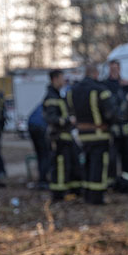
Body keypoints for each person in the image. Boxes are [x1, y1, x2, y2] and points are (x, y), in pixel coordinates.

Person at [67, 64, 117, 204]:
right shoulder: (100, 90)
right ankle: (96, 197)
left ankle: (87, 194)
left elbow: (70, 112)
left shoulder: (72, 91)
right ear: (95, 74)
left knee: (87, 164)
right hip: (100, 134)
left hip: (82, 134)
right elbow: (111, 113)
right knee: (99, 165)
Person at [43, 69, 82, 200]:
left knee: (72, 164)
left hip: (67, 137)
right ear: (55, 79)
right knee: (59, 166)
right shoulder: (51, 97)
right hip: (58, 138)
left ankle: (74, 190)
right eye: (61, 78)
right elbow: (51, 118)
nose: (63, 81)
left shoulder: (59, 95)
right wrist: (67, 120)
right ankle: (58, 194)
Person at [104, 59, 128, 193]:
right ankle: (112, 183)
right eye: (112, 69)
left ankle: (126, 183)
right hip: (112, 131)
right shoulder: (105, 85)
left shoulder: (127, 84)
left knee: (127, 158)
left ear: (120, 69)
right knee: (111, 159)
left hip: (126, 131)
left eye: (116, 68)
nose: (114, 71)